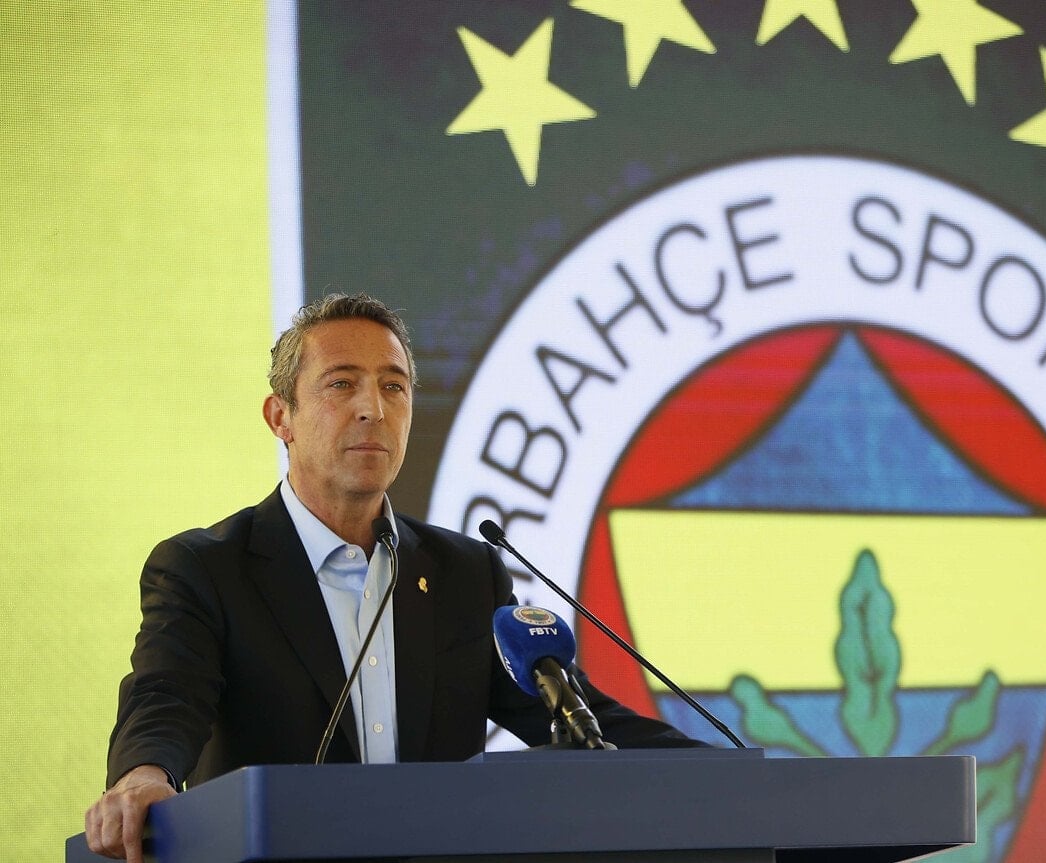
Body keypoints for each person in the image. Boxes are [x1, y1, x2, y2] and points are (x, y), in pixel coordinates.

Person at [84, 293, 700, 862]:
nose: (372, 409)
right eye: (341, 384)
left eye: (393, 387)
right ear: (281, 416)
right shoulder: (207, 568)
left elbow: (574, 718)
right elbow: (166, 695)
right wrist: (144, 774)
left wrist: (731, 771)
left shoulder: (465, 574)